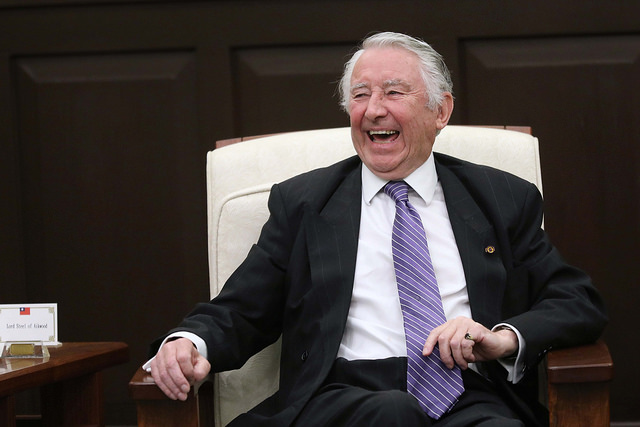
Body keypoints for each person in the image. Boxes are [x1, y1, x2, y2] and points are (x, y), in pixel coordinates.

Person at [146, 32, 607, 426]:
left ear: (440, 111)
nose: (373, 110)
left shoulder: (501, 199)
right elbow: (242, 309)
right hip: (341, 397)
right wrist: (189, 342)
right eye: (361, 95)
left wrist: (501, 338)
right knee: (393, 414)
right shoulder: (305, 203)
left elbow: (576, 302)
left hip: (468, 393)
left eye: (393, 93)